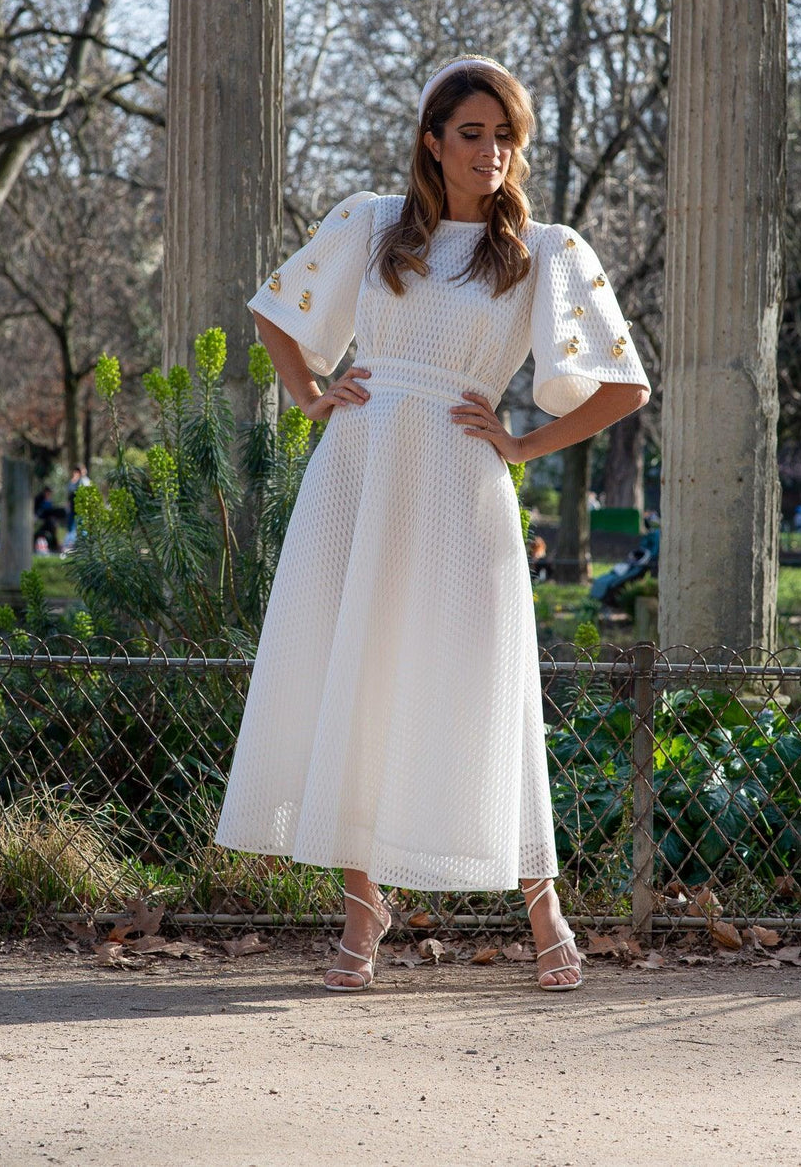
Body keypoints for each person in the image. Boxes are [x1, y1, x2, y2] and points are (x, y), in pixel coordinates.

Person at [214, 55, 651, 992]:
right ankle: (362, 915)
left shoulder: (544, 250)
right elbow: (275, 313)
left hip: (461, 480)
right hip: (358, 474)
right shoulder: (371, 226)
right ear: (432, 139)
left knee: (483, 687)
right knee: (354, 676)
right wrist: (311, 393)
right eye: (473, 132)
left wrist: (524, 445)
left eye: (506, 137)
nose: (492, 151)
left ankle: (544, 909)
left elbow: (624, 386)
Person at [33, 485, 64, 553]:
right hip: (39, 521)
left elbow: (50, 511)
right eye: (48, 492)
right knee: (52, 524)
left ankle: (56, 546)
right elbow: (37, 512)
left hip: (47, 521)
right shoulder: (38, 499)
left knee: (53, 525)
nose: (49, 494)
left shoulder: (49, 501)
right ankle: (56, 545)